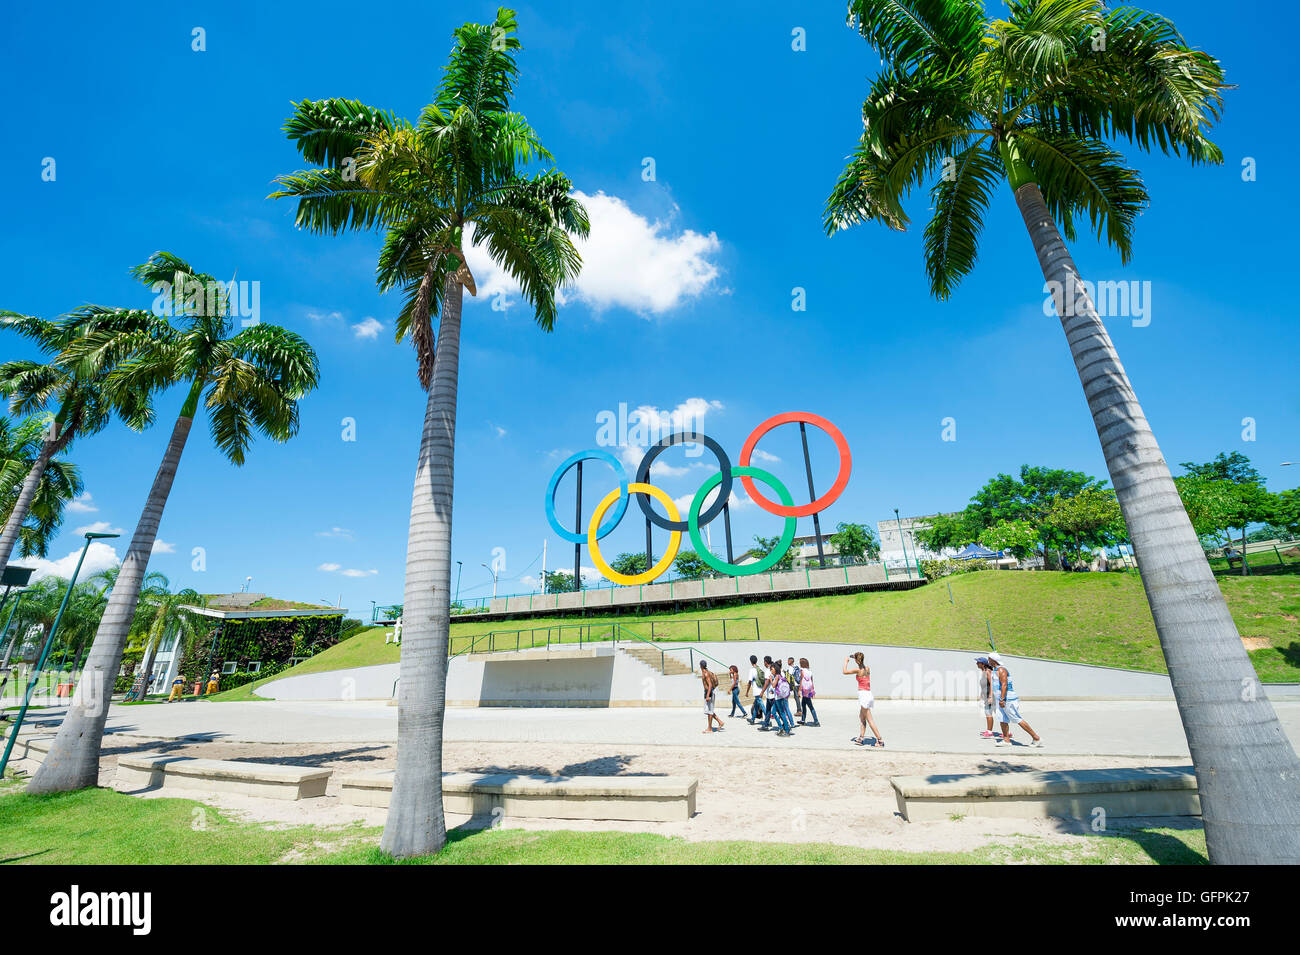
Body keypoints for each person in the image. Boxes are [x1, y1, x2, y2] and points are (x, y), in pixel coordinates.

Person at [987, 655, 1042, 747]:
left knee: (1016, 718)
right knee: (1002, 719)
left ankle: (1036, 738)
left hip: (1007, 699)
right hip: (1000, 699)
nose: (988, 660)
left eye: (989, 659)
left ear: (993, 660)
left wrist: (1002, 699)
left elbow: (1004, 685)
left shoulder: (1001, 670)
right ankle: (1006, 740)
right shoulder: (995, 670)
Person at [843, 652, 884, 747]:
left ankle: (880, 740)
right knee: (861, 717)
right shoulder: (867, 668)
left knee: (870, 719)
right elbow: (860, 662)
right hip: (868, 694)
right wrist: (854, 657)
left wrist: (846, 662)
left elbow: (844, 672)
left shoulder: (858, 670)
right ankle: (861, 739)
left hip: (864, 695)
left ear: (857, 660)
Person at [767, 661, 794, 737]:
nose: (771, 670)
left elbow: (773, 685)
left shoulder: (777, 676)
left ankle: (787, 730)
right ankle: (781, 727)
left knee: (781, 713)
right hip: (778, 697)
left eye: (772, 669)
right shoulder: (781, 676)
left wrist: (771, 680)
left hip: (778, 698)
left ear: (775, 669)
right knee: (774, 712)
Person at [975, 657, 999, 739]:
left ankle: (989, 732)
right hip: (987, 696)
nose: (976, 664)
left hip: (991, 696)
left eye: (978, 662)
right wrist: (981, 694)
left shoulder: (988, 672)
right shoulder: (984, 672)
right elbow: (985, 685)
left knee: (989, 712)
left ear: (983, 664)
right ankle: (1007, 732)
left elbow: (992, 684)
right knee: (996, 713)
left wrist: (990, 696)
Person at [700, 660, 724, 733]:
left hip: (709, 692)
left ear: (701, 666)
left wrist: (708, 695)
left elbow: (710, 684)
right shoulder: (709, 672)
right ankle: (720, 722)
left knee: (709, 711)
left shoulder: (706, 673)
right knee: (708, 711)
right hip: (709, 692)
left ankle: (710, 728)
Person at [797, 657, 819, 726]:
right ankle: (803, 720)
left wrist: (799, 690)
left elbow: (801, 681)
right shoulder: (810, 671)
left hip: (804, 690)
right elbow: (812, 681)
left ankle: (816, 721)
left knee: (810, 706)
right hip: (808, 690)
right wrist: (812, 691)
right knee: (803, 705)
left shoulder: (802, 670)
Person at [745, 654, 764, 724]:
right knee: (756, 705)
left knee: (762, 705)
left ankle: (767, 720)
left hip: (756, 690)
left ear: (750, 661)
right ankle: (752, 719)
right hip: (761, 689)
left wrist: (747, 692)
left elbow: (750, 682)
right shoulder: (760, 668)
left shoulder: (752, 670)